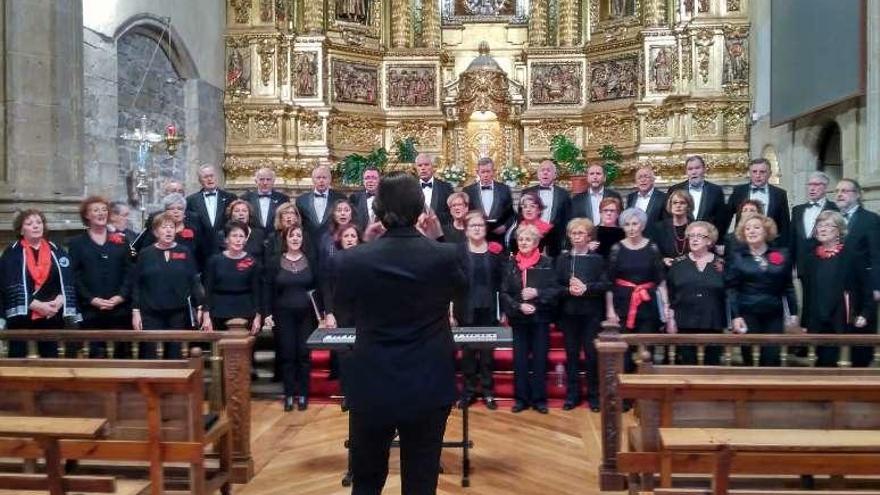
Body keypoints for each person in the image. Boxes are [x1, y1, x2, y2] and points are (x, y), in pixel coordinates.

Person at [332, 171, 466, 495]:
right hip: (428, 381)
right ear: (422, 210)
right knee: (421, 483)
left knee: (366, 481)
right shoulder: (444, 255)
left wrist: (364, 244)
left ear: (376, 211)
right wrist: (439, 240)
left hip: (372, 381)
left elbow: (343, 312)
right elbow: (464, 298)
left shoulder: (353, 259)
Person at [0, 209, 81, 358]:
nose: (36, 226)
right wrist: (35, 305)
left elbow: (68, 280)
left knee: (50, 360)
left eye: (39, 222)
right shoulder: (12, 253)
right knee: (17, 359)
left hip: (51, 314)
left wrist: (60, 300)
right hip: (22, 317)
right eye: (30, 223)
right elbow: (7, 284)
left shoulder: (57, 251)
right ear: (21, 230)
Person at [500, 224, 561, 414]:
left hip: (540, 317)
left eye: (528, 239)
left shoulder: (547, 262)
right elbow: (504, 293)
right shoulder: (510, 263)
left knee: (540, 360)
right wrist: (519, 306)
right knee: (520, 361)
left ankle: (539, 400)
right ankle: (521, 399)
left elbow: (556, 290)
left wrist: (538, 293)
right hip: (519, 318)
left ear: (536, 242)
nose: (524, 242)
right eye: (521, 239)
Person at [725, 213, 798, 366]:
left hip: (774, 314)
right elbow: (732, 289)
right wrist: (735, 316)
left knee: (771, 358)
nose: (751, 231)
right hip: (747, 313)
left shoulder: (782, 254)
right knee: (750, 359)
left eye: (756, 228)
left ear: (766, 231)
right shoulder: (738, 257)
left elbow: (788, 287)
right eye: (748, 228)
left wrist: (793, 313)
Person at [802, 211, 873, 366]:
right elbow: (808, 293)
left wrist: (865, 313)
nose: (822, 229)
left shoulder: (852, 255)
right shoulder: (810, 258)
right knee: (822, 364)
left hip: (843, 316)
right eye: (819, 225)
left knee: (844, 363)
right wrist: (805, 322)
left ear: (839, 230)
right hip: (819, 319)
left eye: (828, 225)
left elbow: (866, 288)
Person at [131, 212, 205, 359]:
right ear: (155, 232)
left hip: (178, 312)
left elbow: (194, 280)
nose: (169, 230)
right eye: (164, 227)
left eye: (172, 227)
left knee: (176, 353)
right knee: (151, 353)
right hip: (151, 312)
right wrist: (135, 311)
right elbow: (137, 284)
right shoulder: (146, 254)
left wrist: (200, 306)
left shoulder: (184, 252)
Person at [555, 218, 609, 412]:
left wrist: (587, 288)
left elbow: (605, 285)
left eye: (581, 233)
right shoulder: (563, 259)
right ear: (569, 236)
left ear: (588, 236)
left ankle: (594, 396)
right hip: (569, 314)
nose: (577, 237)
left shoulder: (597, 259)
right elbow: (555, 287)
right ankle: (572, 395)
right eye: (573, 233)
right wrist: (568, 290)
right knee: (571, 356)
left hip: (591, 315)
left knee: (591, 356)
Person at [68, 197, 133, 358]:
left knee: (120, 355)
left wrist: (120, 296)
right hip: (91, 310)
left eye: (104, 209)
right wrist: (91, 299)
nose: (101, 213)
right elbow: (74, 275)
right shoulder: (77, 243)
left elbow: (129, 272)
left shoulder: (121, 240)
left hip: (119, 309)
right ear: (87, 215)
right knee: (94, 356)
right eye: (96, 210)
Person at [452, 211, 504, 410]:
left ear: (485, 229)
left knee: (487, 355)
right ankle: (468, 392)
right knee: (468, 355)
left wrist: (504, 311)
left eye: (480, 225)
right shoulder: (457, 252)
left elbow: (500, 284)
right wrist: (450, 313)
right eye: (472, 226)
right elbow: (451, 284)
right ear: (465, 230)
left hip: (489, 310)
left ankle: (488, 392)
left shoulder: (494, 253)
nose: (477, 229)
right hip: (466, 310)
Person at [606, 208, 669, 369]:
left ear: (642, 225)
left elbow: (660, 281)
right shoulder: (616, 249)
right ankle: (626, 392)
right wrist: (610, 310)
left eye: (635, 224)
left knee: (647, 352)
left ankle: (647, 391)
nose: (631, 228)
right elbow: (609, 283)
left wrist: (667, 307)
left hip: (648, 305)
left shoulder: (653, 248)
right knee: (624, 352)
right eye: (627, 224)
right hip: (623, 305)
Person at [264, 225, 318, 411]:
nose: (295, 238)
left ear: (303, 239)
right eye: (291, 235)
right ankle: (288, 395)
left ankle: (303, 394)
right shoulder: (274, 261)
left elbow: (318, 287)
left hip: (306, 314)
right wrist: (267, 313)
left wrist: (324, 313)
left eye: (298, 235)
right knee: (287, 354)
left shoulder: (311, 260)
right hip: (283, 314)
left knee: (303, 354)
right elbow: (268, 289)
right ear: (285, 239)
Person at [833, 178, 880, 366]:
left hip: (862, 287)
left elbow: (877, 255)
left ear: (857, 195)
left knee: (861, 336)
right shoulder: (830, 218)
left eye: (845, 191)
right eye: (837, 191)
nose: (839, 194)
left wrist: (877, 286)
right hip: (836, 285)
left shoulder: (870, 219)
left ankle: (861, 378)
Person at [665, 221, 726, 365]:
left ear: (709, 240)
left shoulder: (721, 264)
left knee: (713, 367)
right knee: (687, 366)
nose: (694, 239)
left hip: (713, 322)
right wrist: (670, 319)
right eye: (691, 236)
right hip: (684, 323)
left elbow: (728, 293)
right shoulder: (678, 263)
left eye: (699, 235)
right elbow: (669, 294)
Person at [203, 221, 263, 334]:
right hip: (219, 312)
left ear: (246, 240)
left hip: (246, 311)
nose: (238, 239)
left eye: (241, 236)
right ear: (226, 239)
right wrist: (206, 316)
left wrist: (258, 316)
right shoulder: (214, 261)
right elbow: (208, 290)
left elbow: (257, 292)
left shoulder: (252, 262)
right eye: (234, 236)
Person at [727, 158, 791, 247]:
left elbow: (785, 224)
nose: (758, 175)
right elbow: (726, 217)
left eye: (762, 172)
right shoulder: (739, 191)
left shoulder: (779, 194)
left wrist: (785, 247)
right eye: (754, 171)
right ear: (749, 173)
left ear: (770, 174)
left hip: (771, 245)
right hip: (742, 244)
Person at [136, 193, 208, 270]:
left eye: (180, 209)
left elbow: (202, 255)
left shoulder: (193, 229)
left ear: (184, 211)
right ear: (164, 212)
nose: (176, 211)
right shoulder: (157, 230)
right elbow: (145, 252)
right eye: (171, 208)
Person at [667, 155, 729, 241]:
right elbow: (668, 216)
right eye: (690, 169)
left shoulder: (715, 191)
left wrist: (718, 242)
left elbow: (721, 220)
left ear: (704, 169)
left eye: (697, 168)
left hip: (707, 241)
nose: (694, 172)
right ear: (686, 172)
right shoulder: (675, 189)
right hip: (681, 239)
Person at [523, 159, 571, 257]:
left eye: (548, 170)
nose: (545, 173)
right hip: (532, 237)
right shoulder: (527, 192)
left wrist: (566, 244)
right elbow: (521, 216)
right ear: (538, 174)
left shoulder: (563, 194)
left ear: (554, 174)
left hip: (556, 239)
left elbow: (568, 218)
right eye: (542, 170)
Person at [185, 164, 237, 254]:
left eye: (211, 176)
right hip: (201, 250)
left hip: (225, 248)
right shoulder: (191, 200)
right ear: (200, 180)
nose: (209, 179)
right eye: (205, 177)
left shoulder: (230, 198)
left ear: (216, 177)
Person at [464, 157, 515, 244]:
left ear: (493, 172)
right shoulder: (468, 191)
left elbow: (511, 213)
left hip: (499, 237)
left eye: (488, 171)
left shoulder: (504, 189)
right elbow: (465, 214)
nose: (486, 175)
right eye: (483, 172)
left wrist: (505, 226)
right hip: (476, 235)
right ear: (478, 172)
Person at [296, 165, 347, 239]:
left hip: (332, 242)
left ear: (330, 180)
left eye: (324, 177)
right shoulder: (301, 200)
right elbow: (299, 224)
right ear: (313, 180)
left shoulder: (340, 198)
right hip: (309, 243)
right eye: (318, 178)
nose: (321, 180)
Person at [241, 167, 290, 236]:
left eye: (268, 179)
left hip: (275, 240)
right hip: (252, 239)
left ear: (273, 181)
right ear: (256, 181)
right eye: (261, 179)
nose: (265, 183)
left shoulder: (283, 199)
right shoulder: (246, 198)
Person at [648, 190, 693, 266]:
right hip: (667, 270)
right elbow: (652, 251)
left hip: (691, 269)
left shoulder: (696, 226)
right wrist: (663, 259)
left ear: (688, 206)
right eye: (675, 203)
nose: (678, 206)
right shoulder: (659, 227)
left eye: (682, 203)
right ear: (670, 205)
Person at [415, 153, 454, 225]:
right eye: (420, 165)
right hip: (416, 233)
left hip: (441, 231)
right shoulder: (410, 188)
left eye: (426, 165)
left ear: (433, 167)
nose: (423, 168)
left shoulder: (446, 187)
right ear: (416, 168)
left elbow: (451, 212)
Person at [350, 167, 380, 232]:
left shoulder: (387, 197)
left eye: (374, 178)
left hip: (382, 239)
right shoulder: (354, 197)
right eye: (367, 178)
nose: (370, 181)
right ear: (363, 181)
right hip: (361, 239)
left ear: (379, 180)